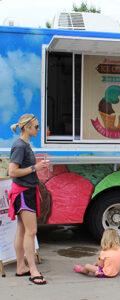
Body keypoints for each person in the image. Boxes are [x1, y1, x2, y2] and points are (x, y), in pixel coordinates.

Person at [8, 114, 49, 285]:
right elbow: (12, 172)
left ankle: (21, 267)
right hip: (24, 193)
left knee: (22, 229)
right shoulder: (20, 145)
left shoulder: (24, 144)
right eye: (36, 126)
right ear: (27, 127)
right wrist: (35, 167)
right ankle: (33, 270)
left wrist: (34, 167)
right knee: (31, 232)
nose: (38, 129)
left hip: (25, 191)